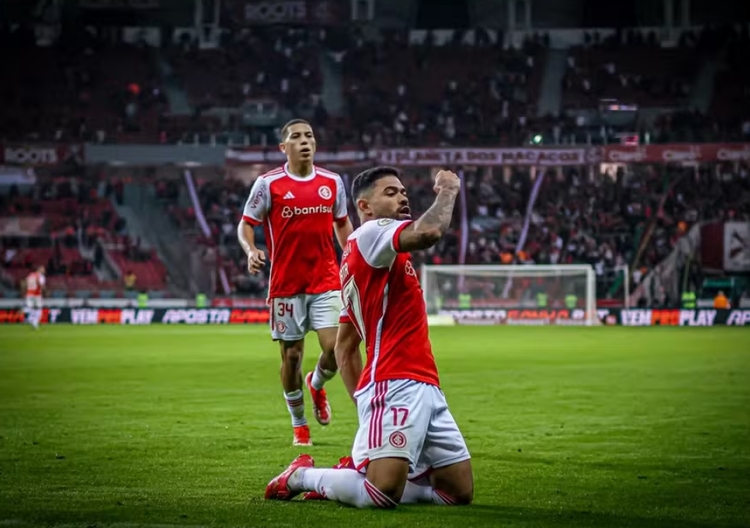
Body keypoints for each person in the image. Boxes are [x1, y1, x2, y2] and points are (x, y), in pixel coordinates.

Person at [265, 166, 473, 508]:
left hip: (424, 384)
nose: (403, 197)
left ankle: (361, 474)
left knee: (456, 494)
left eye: (403, 191)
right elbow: (430, 232)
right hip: (395, 381)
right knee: (380, 494)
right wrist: (448, 189)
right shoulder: (371, 233)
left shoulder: (370, 258)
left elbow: (345, 347)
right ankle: (303, 476)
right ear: (365, 207)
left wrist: (364, 406)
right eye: (390, 193)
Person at [238, 119, 353, 446]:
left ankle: (316, 383)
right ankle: (299, 424)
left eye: (309, 136)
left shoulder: (332, 182)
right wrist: (251, 250)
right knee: (291, 357)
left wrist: (353, 258)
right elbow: (246, 225)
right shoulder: (267, 183)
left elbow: (342, 224)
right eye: (296, 137)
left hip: (327, 281)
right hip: (286, 285)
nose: (305, 141)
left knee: (336, 349)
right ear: (283, 147)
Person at [23, 265, 46, 330]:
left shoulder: (31, 275)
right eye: (43, 269)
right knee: (38, 309)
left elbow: (25, 283)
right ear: (39, 269)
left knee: (32, 308)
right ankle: (34, 322)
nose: (44, 270)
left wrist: (25, 292)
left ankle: (30, 319)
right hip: (36, 294)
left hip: (29, 293)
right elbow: (40, 284)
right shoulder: (40, 276)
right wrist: (44, 291)